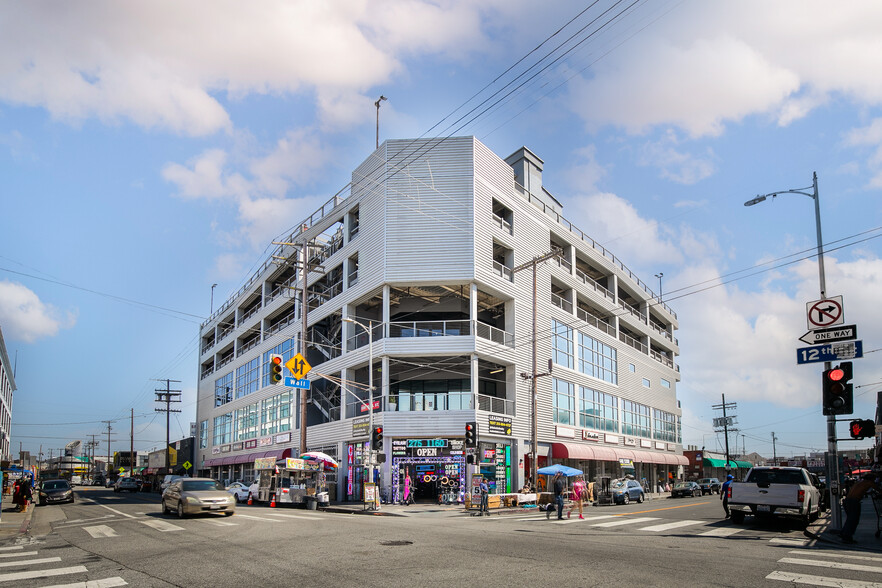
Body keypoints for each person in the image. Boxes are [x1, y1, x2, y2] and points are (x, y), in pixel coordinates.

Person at [840, 472, 882, 544]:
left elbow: (860, 491)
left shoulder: (859, 482)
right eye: (874, 479)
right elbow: (878, 489)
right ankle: (847, 536)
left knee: (850, 519)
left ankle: (844, 533)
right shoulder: (869, 483)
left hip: (847, 501)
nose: (874, 481)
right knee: (854, 520)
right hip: (854, 502)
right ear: (871, 479)